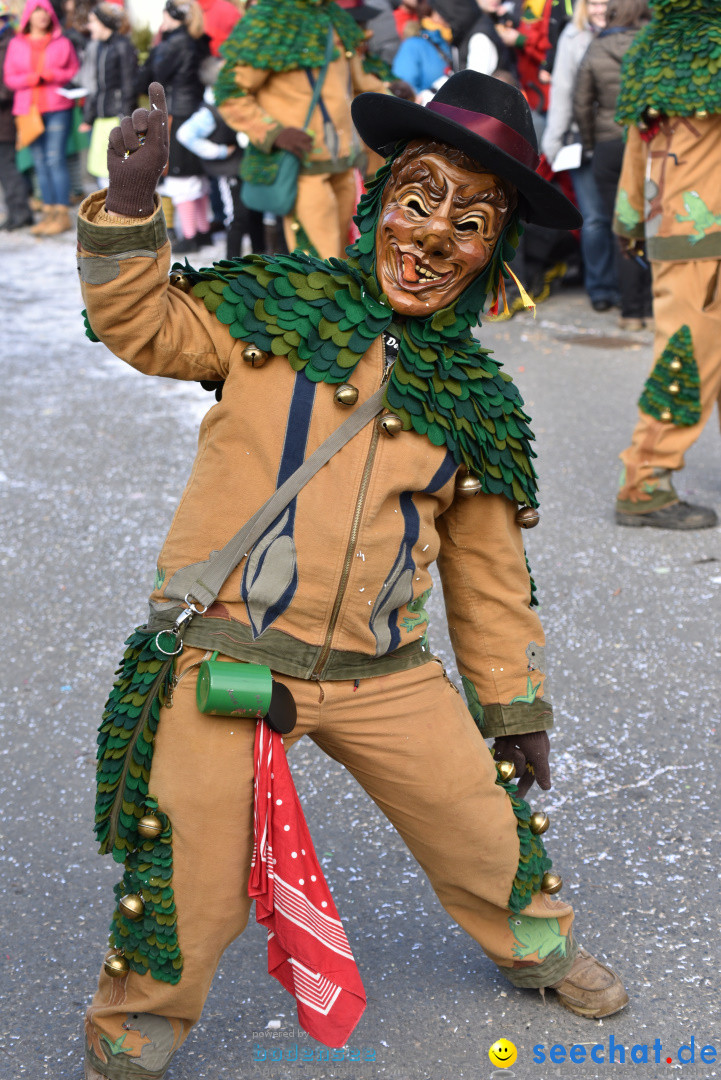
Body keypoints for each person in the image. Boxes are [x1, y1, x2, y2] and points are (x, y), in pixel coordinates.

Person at [77, 71, 628, 1080]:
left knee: (479, 820)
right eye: (418, 200)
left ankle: (537, 948)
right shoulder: (273, 309)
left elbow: (490, 579)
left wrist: (514, 709)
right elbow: (143, 325)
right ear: (379, 203)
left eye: (469, 221)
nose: (430, 238)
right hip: (229, 654)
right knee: (189, 871)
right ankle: (135, 1026)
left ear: (491, 250)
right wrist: (127, 209)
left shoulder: (476, 401)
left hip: (383, 672)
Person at [613, 0, 721, 528]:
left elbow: (638, 141)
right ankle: (645, 480)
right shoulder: (711, 46)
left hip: (674, 228)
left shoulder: (650, 49)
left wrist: (631, 221)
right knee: (685, 359)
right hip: (703, 237)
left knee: (695, 355)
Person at [214, 0, 388, 260]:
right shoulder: (268, 18)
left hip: (345, 161)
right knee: (321, 260)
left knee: (345, 254)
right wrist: (272, 132)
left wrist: (395, 100)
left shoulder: (334, 15)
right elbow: (230, 90)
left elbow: (359, 83)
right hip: (302, 166)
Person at [573, 0, 651, 330]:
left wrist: (592, 145)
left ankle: (631, 312)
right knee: (653, 225)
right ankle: (653, 306)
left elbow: (581, 103)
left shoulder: (597, 46)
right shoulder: (653, 45)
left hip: (608, 147)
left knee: (623, 228)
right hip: (648, 144)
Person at [541, 0, 619, 312]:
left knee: (621, 216)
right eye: (595, 3)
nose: (600, 9)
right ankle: (601, 286)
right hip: (582, 141)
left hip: (618, 139)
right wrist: (554, 141)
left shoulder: (629, 31)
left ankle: (628, 286)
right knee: (595, 218)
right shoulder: (572, 37)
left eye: (606, 3)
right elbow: (561, 91)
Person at [3, 0, 79, 235]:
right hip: (28, 109)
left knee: (55, 159)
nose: (42, 16)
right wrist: (31, 79)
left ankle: (61, 214)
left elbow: (73, 70)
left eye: (45, 12)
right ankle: (48, 213)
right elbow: (10, 78)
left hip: (57, 106)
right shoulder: (16, 44)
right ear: (28, 16)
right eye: (37, 12)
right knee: (39, 162)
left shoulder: (62, 41)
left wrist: (51, 75)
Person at [140, 0, 209, 254]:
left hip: (177, 113)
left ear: (172, 16)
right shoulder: (198, 39)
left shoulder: (175, 42)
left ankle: (189, 236)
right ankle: (202, 232)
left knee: (181, 178)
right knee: (197, 178)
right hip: (193, 110)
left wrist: (158, 45)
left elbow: (153, 76)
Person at [77, 3, 137, 186]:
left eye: (93, 21)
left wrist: (125, 120)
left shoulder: (122, 46)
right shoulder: (100, 47)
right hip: (102, 118)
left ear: (105, 23)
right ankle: (110, 213)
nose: (89, 26)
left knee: (117, 171)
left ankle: (120, 213)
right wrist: (89, 117)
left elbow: (129, 87)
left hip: (116, 117)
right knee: (102, 171)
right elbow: (98, 86)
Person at [0, 1, 33, 229]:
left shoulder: (8, 44)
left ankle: (21, 212)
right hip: (4, 117)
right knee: (6, 168)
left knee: (9, 167)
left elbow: (7, 86)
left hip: (6, 117)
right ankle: (15, 212)